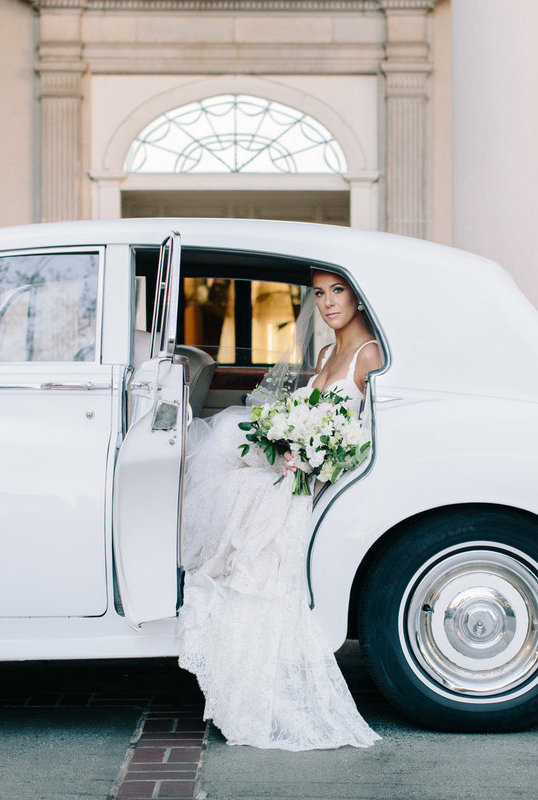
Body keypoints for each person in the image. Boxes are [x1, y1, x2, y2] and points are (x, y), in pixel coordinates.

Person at [177, 269, 382, 751]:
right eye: (319, 294)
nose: (328, 303)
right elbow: (307, 414)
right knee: (230, 444)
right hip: (298, 467)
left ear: (357, 295)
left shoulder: (369, 355)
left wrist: (319, 457)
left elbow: (368, 435)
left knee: (251, 506)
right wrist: (290, 444)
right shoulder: (328, 352)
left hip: (322, 478)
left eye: (338, 291)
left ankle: (263, 686)